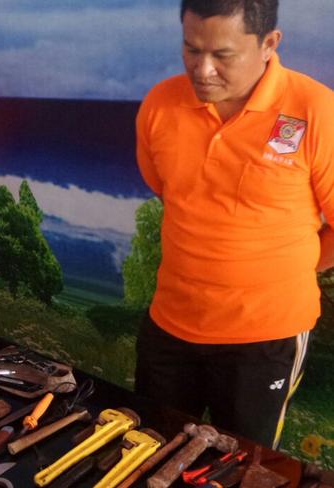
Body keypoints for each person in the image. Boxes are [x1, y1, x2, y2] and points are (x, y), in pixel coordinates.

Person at [134, 0, 334, 448]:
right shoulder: (160, 104)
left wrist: (288, 269)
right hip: (170, 326)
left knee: (240, 463)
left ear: (268, 44)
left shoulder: (317, 111)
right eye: (191, 50)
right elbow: (172, 194)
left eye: (223, 55)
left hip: (265, 339)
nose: (202, 70)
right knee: (149, 448)